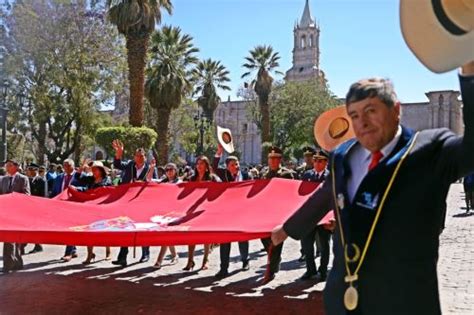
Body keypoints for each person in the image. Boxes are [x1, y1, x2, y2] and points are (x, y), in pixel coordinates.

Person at [272, 65, 474, 314]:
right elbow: (325, 195)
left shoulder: (430, 149)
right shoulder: (342, 155)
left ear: (395, 110)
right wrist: (287, 228)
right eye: (354, 115)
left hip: (404, 300)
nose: (362, 123)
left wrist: (470, 75)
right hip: (345, 298)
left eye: (371, 111)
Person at [111, 139, 156, 267]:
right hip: (127, 202)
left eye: (142, 156)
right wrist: (119, 153)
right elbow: (118, 165)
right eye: (137, 156)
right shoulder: (130, 165)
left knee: (142, 228)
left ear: (145, 157)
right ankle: (122, 257)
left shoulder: (150, 168)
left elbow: (153, 185)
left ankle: (145, 253)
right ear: (134, 157)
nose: (139, 158)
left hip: (142, 204)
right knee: (124, 228)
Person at [213, 143, 251, 278]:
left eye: (237, 164)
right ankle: (224, 268)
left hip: (241, 212)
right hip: (227, 213)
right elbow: (214, 167)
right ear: (228, 166)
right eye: (233, 165)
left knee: (243, 238)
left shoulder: (246, 175)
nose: (236, 167)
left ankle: (245, 260)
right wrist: (218, 153)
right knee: (225, 239)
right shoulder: (224, 175)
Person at [260, 146, 294, 284]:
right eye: (270, 159)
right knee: (264, 239)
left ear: (280, 160)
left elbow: (292, 193)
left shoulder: (287, 174)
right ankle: (275, 261)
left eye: (275, 159)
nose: (273, 161)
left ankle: (271, 270)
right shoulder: (264, 175)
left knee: (276, 241)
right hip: (266, 213)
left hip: (280, 214)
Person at [183, 156, 221, 271]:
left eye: (202, 163)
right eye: (198, 163)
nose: (199, 166)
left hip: (206, 210)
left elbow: (220, 188)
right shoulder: (191, 178)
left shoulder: (212, 178)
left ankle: (205, 260)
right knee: (191, 236)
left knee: (206, 236)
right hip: (193, 210)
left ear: (206, 166)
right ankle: (190, 261)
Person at [71, 160, 112, 264]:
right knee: (89, 232)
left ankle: (108, 252)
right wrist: (81, 167)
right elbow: (77, 177)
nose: (93, 171)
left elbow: (108, 193)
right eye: (92, 169)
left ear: (101, 170)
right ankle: (90, 254)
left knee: (105, 231)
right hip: (90, 209)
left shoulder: (107, 180)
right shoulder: (90, 179)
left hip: (103, 209)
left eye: (95, 169)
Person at [300, 149, 331, 281]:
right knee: (307, 245)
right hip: (309, 216)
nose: (317, 163)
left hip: (324, 217)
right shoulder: (306, 175)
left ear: (326, 162)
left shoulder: (331, 176)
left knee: (324, 245)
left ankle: (323, 270)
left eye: (320, 161)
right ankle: (310, 270)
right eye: (315, 160)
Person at [146, 162, 181, 269]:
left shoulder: (179, 182)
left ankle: (159, 260)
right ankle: (175, 255)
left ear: (176, 171)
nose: (169, 172)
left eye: (171, 169)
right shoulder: (163, 181)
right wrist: (152, 168)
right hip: (164, 212)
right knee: (167, 234)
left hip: (174, 212)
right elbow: (149, 180)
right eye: (167, 170)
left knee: (166, 234)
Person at [0, 159, 30, 273]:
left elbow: (27, 195)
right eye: (6, 165)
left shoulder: (23, 179)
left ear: (16, 167)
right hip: (5, 213)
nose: (7, 167)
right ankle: (8, 264)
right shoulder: (3, 179)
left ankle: (17, 262)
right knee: (7, 238)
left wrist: (14, 199)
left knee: (16, 238)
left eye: (9, 165)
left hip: (18, 212)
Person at [51, 159, 83, 262]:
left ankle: (68, 252)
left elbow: (85, 188)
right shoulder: (59, 178)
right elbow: (55, 191)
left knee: (71, 228)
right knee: (66, 228)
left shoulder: (79, 177)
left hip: (74, 206)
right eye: (65, 166)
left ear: (73, 166)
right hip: (61, 206)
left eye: (69, 165)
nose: (66, 168)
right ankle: (73, 250)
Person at [24, 163, 47, 254]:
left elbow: (44, 196)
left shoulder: (41, 181)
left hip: (37, 208)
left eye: (29, 169)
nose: (28, 171)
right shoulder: (27, 180)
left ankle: (37, 245)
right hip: (28, 208)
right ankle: (27, 244)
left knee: (35, 226)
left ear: (35, 170)